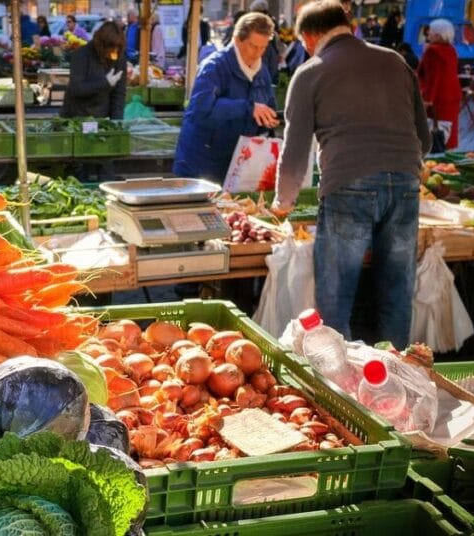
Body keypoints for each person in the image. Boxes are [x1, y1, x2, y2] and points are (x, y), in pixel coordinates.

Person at [273, 0, 431, 349]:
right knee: (396, 290)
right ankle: (397, 379)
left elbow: (295, 148)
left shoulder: (312, 71)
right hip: (406, 183)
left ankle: (337, 385)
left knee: (336, 293)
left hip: (349, 185)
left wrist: (283, 202)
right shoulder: (395, 61)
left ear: (311, 37)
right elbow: (426, 138)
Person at [172, 13, 278, 182]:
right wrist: (248, 108)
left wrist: (269, 119)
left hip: (237, 162)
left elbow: (267, 105)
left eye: (263, 48)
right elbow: (201, 111)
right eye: (253, 46)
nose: (258, 53)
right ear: (237, 40)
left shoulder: (262, 72)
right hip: (201, 164)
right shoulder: (213, 67)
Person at [61, 21, 126, 119]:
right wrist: (105, 83)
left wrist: (116, 121)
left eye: (118, 47)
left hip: (102, 115)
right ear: (102, 44)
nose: (115, 51)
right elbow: (76, 89)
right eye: (111, 47)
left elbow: (119, 94)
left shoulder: (119, 58)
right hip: (77, 114)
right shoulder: (81, 55)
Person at [417, 19, 462, 150]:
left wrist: (427, 100)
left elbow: (433, 77)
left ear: (437, 35)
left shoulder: (432, 51)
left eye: (430, 32)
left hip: (438, 99)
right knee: (448, 136)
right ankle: (447, 162)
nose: (427, 35)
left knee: (434, 135)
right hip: (452, 96)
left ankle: (436, 164)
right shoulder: (451, 50)